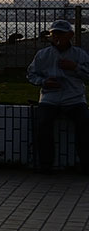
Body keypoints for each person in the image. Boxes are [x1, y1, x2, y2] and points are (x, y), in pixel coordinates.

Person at [26, 20, 89, 173]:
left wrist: (75, 67)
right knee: (43, 125)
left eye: (60, 34)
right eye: (55, 34)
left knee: (85, 125)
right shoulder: (43, 55)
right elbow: (31, 74)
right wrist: (44, 82)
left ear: (70, 35)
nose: (57, 37)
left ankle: (86, 163)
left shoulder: (79, 55)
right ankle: (46, 164)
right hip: (50, 97)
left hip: (74, 97)